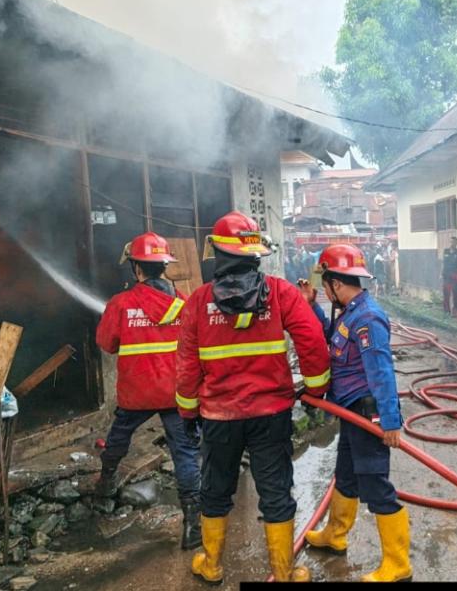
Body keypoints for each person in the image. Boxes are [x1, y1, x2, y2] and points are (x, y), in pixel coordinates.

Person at [175, 211, 330, 584]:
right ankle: (284, 572)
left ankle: (211, 566)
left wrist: (188, 410)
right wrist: (315, 388)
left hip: (218, 417)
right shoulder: (280, 293)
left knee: (216, 490)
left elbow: (186, 365)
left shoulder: (198, 302)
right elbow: (311, 341)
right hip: (271, 413)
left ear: (217, 252)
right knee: (275, 490)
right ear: (255, 252)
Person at [298, 244, 412, 583]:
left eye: (326, 284)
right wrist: (313, 309)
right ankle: (335, 535)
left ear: (335, 282)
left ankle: (398, 563)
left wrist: (390, 421)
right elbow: (332, 342)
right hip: (348, 412)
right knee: (345, 475)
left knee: (375, 484)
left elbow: (381, 372)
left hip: (366, 413)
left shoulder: (368, 318)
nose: (325, 290)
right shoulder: (349, 312)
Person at [95, 232, 202, 550]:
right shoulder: (183, 302)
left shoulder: (121, 304)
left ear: (137, 269)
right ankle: (192, 527)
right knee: (185, 454)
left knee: (118, 438)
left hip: (136, 393)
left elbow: (107, 344)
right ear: (164, 267)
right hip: (176, 393)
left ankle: (105, 485)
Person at [442, 236, 457, 315]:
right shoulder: (445, 251)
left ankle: (455, 310)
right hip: (446, 275)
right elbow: (443, 263)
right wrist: (441, 273)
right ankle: (446, 311)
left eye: (453, 242)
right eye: (450, 242)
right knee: (446, 293)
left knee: (455, 293)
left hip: (455, 275)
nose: (451, 243)